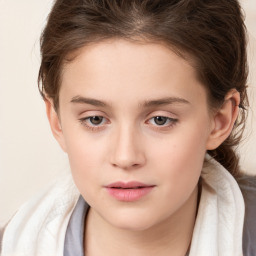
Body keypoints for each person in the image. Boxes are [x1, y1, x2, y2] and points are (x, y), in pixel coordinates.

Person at [0, 0, 255, 255]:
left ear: (219, 121)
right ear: (57, 122)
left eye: (160, 120)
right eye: (95, 119)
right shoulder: (13, 245)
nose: (125, 157)